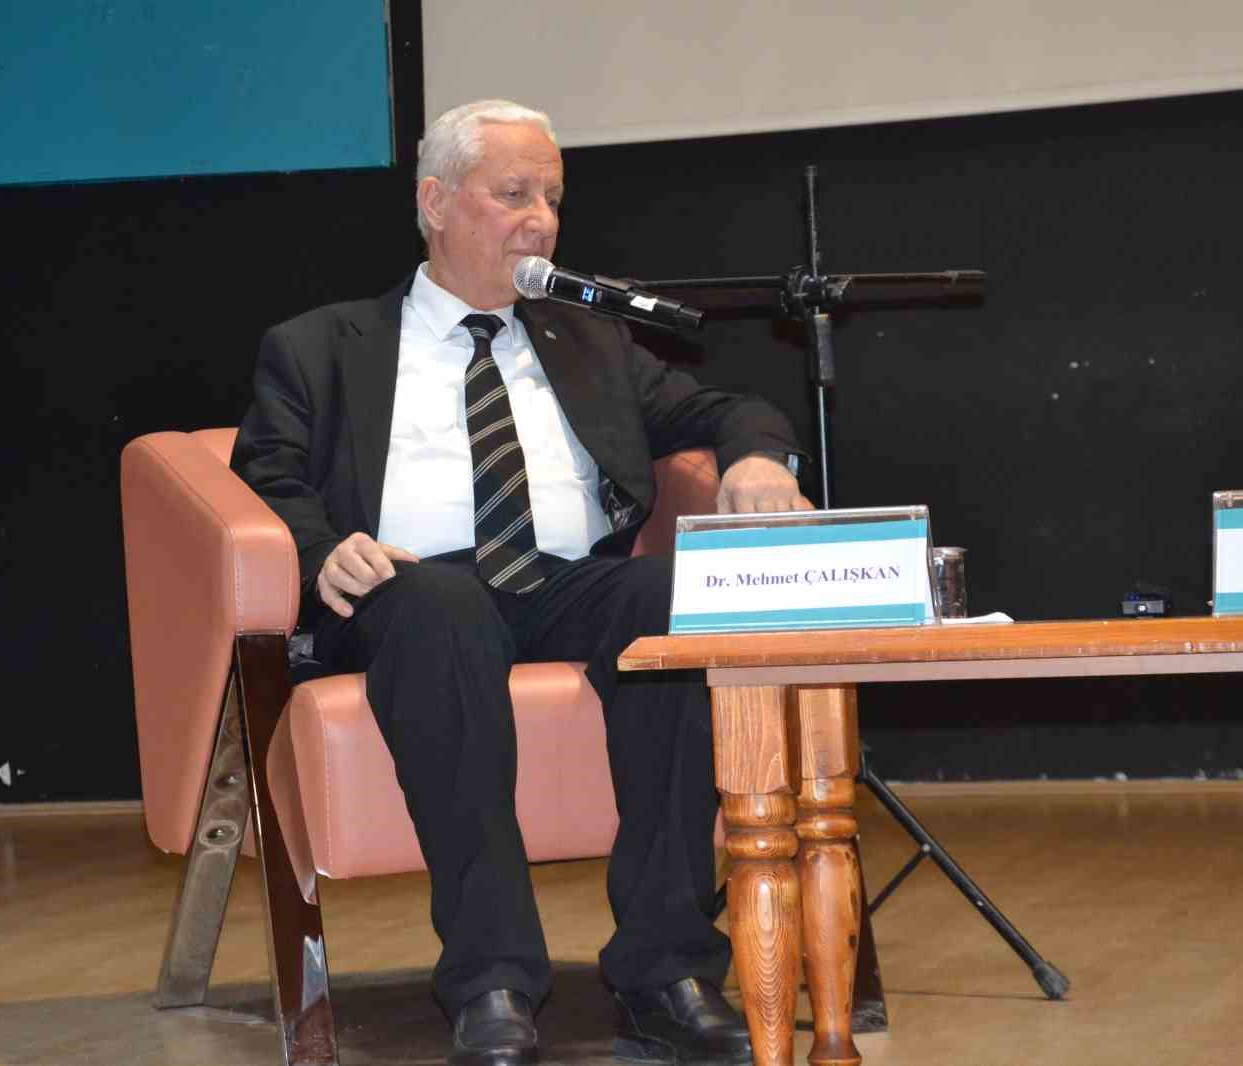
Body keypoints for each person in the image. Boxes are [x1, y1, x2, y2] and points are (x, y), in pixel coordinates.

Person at [231, 99, 811, 1066]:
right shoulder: (321, 344)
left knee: (671, 600)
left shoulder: (588, 340)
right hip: (408, 588)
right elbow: (267, 471)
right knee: (444, 606)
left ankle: (669, 970)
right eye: (513, 195)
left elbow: (726, 405)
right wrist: (321, 547)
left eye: (552, 197)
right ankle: (491, 979)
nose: (540, 219)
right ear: (435, 202)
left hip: (564, 581)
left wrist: (757, 457)